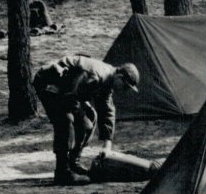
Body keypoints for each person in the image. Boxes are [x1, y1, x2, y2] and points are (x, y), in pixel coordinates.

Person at [32, 55, 140, 185]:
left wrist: (107, 145)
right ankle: (62, 171)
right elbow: (70, 95)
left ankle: (73, 162)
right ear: (120, 77)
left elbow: (107, 111)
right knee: (65, 121)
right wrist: (78, 112)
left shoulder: (108, 81)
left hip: (68, 89)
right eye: (125, 87)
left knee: (89, 120)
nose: (124, 91)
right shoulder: (96, 75)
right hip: (48, 82)